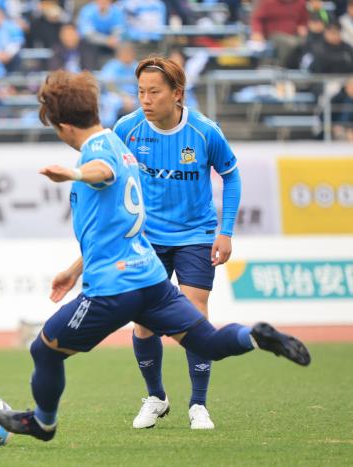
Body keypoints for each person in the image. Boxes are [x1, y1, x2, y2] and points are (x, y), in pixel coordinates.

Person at [0, 70, 310, 442]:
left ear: (63, 127)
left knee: (44, 350)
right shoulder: (119, 139)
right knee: (208, 342)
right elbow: (114, 213)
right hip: (151, 280)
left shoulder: (98, 151)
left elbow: (102, 171)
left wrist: (75, 174)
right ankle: (256, 336)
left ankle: (43, 423)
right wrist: (75, 269)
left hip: (114, 288)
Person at [111, 56, 242, 430]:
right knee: (143, 320)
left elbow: (231, 176)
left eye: (154, 92)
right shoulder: (127, 129)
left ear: (177, 93)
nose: (145, 100)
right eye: (141, 91)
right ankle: (156, 397)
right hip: (147, 236)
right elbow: (112, 177)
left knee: (195, 313)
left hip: (195, 234)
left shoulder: (204, 132)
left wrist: (226, 232)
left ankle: (198, 404)